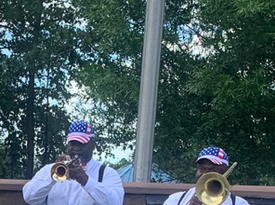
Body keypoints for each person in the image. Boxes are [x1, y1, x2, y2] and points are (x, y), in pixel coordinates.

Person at [23, 120, 124, 205]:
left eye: (81, 144)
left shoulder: (107, 173)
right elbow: (29, 198)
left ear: (93, 145)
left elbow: (116, 202)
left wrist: (86, 181)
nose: (76, 149)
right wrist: (52, 177)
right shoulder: (49, 170)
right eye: (72, 144)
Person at [163, 146, 250, 205]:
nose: (204, 174)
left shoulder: (239, 203)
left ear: (225, 173)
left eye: (212, 170)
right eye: (202, 169)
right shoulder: (175, 200)